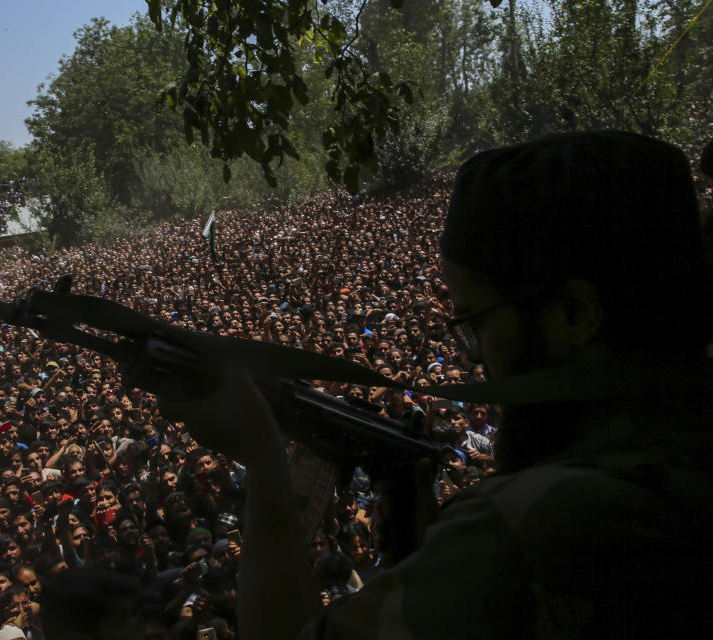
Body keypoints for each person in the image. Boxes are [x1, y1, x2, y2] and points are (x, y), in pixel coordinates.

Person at [160, 131, 713, 638]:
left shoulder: (538, 522)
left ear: (574, 313)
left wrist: (261, 453)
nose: (476, 363)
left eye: (475, 322)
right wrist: (423, 558)